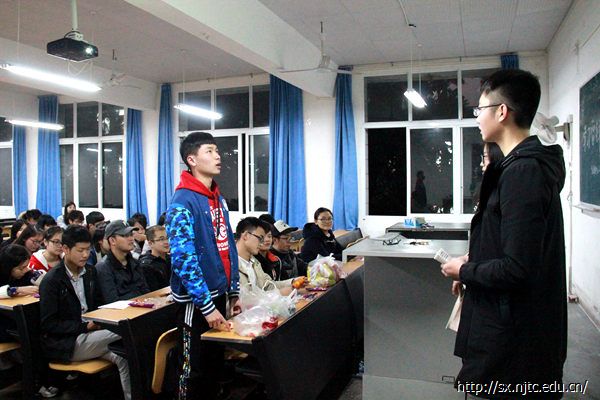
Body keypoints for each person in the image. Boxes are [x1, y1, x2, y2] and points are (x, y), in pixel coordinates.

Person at [441, 69, 567, 396]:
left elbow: (518, 268)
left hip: (515, 341)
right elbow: (512, 243)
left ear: (501, 111)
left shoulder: (523, 172)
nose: (477, 117)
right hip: (513, 330)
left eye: (480, 109)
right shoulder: (518, 168)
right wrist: (473, 261)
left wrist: (465, 270)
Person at [166, 131, 240, 399]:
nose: (217, 156)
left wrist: (233, 291)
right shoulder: (182, 202)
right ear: (192, 159)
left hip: (219, 294)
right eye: (209, 151)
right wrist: (206, 306)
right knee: (192, 370)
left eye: (217, 150)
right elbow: (183, 259)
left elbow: (227, 245)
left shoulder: (217, 199)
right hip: (196, 303)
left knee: (214, 366)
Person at [39, 226, 131, 400]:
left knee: (124, 356)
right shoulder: (52, 280)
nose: (85, 255)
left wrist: (99, 320)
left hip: (94, 335)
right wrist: (85, 327)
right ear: (66, 249)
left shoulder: (90, 271)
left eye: (88, 250)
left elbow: (98, 304)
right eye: (80, 250)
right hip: (68, 343)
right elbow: (49, 324)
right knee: (127, 330)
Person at [236, 217, 303, 291]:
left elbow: (268, 285)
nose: (262, 243)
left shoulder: (254, 262)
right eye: (260, 238)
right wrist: (287, 291)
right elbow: (244, 297)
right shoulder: (231, 266)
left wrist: (293, 282)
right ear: (246, 235)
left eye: (269, 236)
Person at [96, 220, 149, 303]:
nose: (131, 239)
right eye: (125, 235)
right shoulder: (104, 268)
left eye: (131, 234)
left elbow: (146, 292)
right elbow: (112, 301)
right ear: (112, 240)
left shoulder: (135, 262)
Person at [139, 225, 171, 291]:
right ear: (150, 243)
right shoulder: (146, 265)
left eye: (167, 238)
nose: (166, 242)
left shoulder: (171, 259)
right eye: (161, 239)